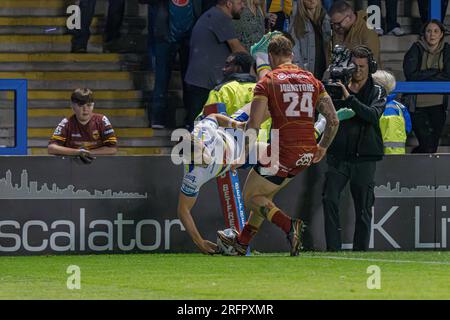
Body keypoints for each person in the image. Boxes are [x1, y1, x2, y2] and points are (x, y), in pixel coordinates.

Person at [217, 34, 339, 256]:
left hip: (282, 152)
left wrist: (243, 155)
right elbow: (333, 120)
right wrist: (323, 146)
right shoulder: (313, 80)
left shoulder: (268, 82)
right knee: (264, 197)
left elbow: (254, 124)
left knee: (251, 198)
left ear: (271, 57)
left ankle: (289, 225)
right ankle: (242, 243)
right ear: (291, 55)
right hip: (306, 155)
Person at [322, 45, 386, 252]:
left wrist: (349, 98)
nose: (358, 70)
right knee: (329, 198)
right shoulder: (337, 87)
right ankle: (333, 249)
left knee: (364, 208)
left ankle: (361, 251)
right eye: (354, 66)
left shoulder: (377, 90)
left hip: (365, 157)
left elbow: (372, 115)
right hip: (339, 156)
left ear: (371, 68)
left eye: (362, 66)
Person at [184, 0, 247, 128]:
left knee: (198, 125)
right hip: (203, 83)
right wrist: (258, 64)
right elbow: (238, 49)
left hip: (199, 80)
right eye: (240, 3)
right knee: (198, 126)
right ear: (229, 4)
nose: (243, 6)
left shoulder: (213, 15)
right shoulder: (220, 17)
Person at [144, 0, 204, 129]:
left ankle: (190, 118)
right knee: (161, 79)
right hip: (165, 37)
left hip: (190, 37)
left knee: (189, 81)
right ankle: (158, 117)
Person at [403, 20, 450, 154]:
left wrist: (424, 74)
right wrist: (436, 72)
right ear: (424, 33)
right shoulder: (415, 48)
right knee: (427, 145)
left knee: (432, 147)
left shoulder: (447, 50)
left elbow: (448, 75)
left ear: (441, 34)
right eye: (429, 31)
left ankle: (418, 162)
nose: (432, 35)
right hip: (418, 107)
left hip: (438, 105)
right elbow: (411, 75)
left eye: (436, 31)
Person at [48, 88, 118, 158]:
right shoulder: (66, 123)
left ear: (93, 106)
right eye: (81, 106)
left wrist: (87, 153)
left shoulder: (102, 120)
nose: (85, 109)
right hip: (72, 166)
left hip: (98, 165)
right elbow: (51, 148)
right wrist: (78, 152)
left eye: (89, 105)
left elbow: (112, 149)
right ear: (72, 106)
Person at [328, 1, 381, 65]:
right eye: (333, 24)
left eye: (338, 23)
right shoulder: (338, 29)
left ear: (349, 17)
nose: (335, 27)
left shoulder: (368, 31)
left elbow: (369, 64)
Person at [289, 0, 331, 80]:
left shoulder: (325, 18)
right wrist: (301, 73)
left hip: (324, 70)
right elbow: (295, 50)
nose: (311, 0)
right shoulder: (297, 20)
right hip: (307, 72)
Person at [373, 70, 411, 154]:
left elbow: (392, 145)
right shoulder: (389, 106)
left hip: (387, 162)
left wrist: (391, 164)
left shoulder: (389, 110)